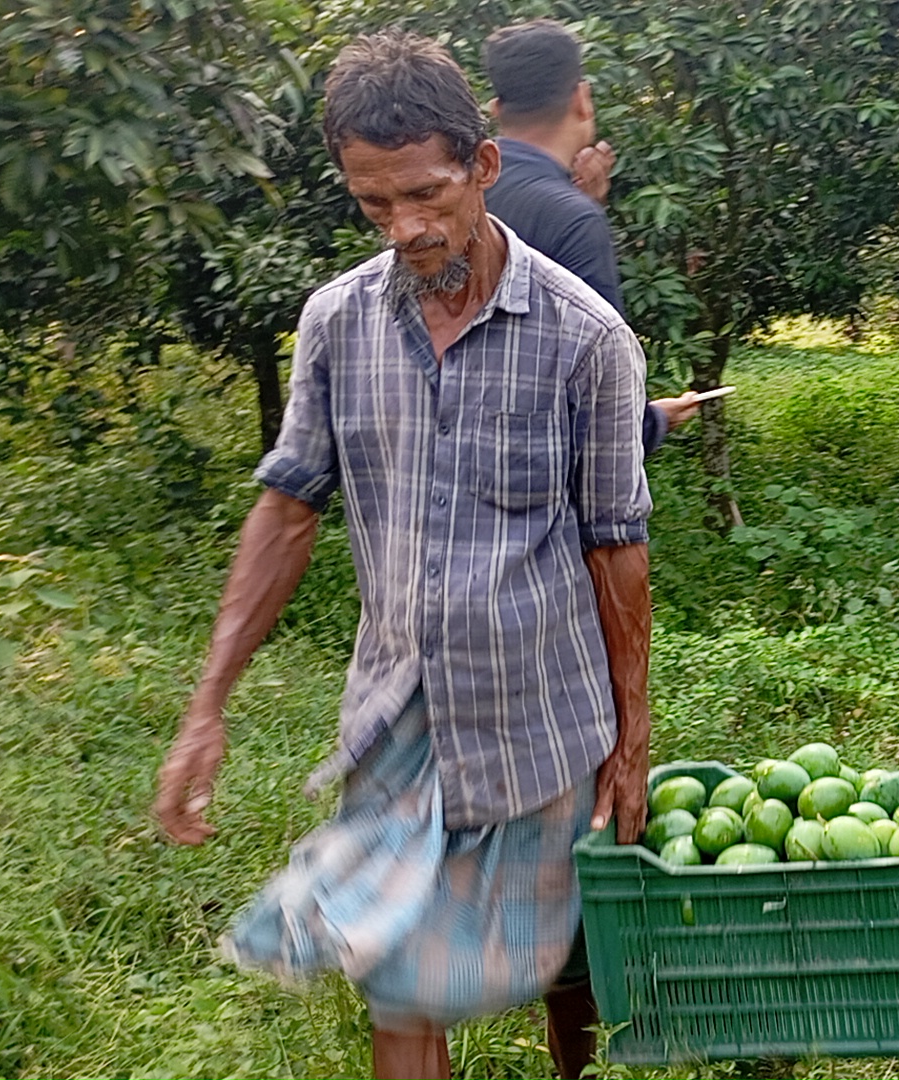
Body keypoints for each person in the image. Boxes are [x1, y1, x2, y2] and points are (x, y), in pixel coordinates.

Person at [150, 31, 652, 1080]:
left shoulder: (586, 338)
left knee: (569, 960)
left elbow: (616, 543)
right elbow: (288, 507)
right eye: (376, 205)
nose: (408, 227)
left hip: (542, 720)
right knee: (401, 984)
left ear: (483, 165)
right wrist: (208, 706)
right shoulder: (337, 324)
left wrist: (631, 731)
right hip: (397, 717)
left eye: (427, 194)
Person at [480, 18, 701, 457]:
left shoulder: (454, 188)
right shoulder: (573, 219)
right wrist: (655, 419)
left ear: (496, 109)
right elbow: (604, 406)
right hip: (532, 486)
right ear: (583, 99)